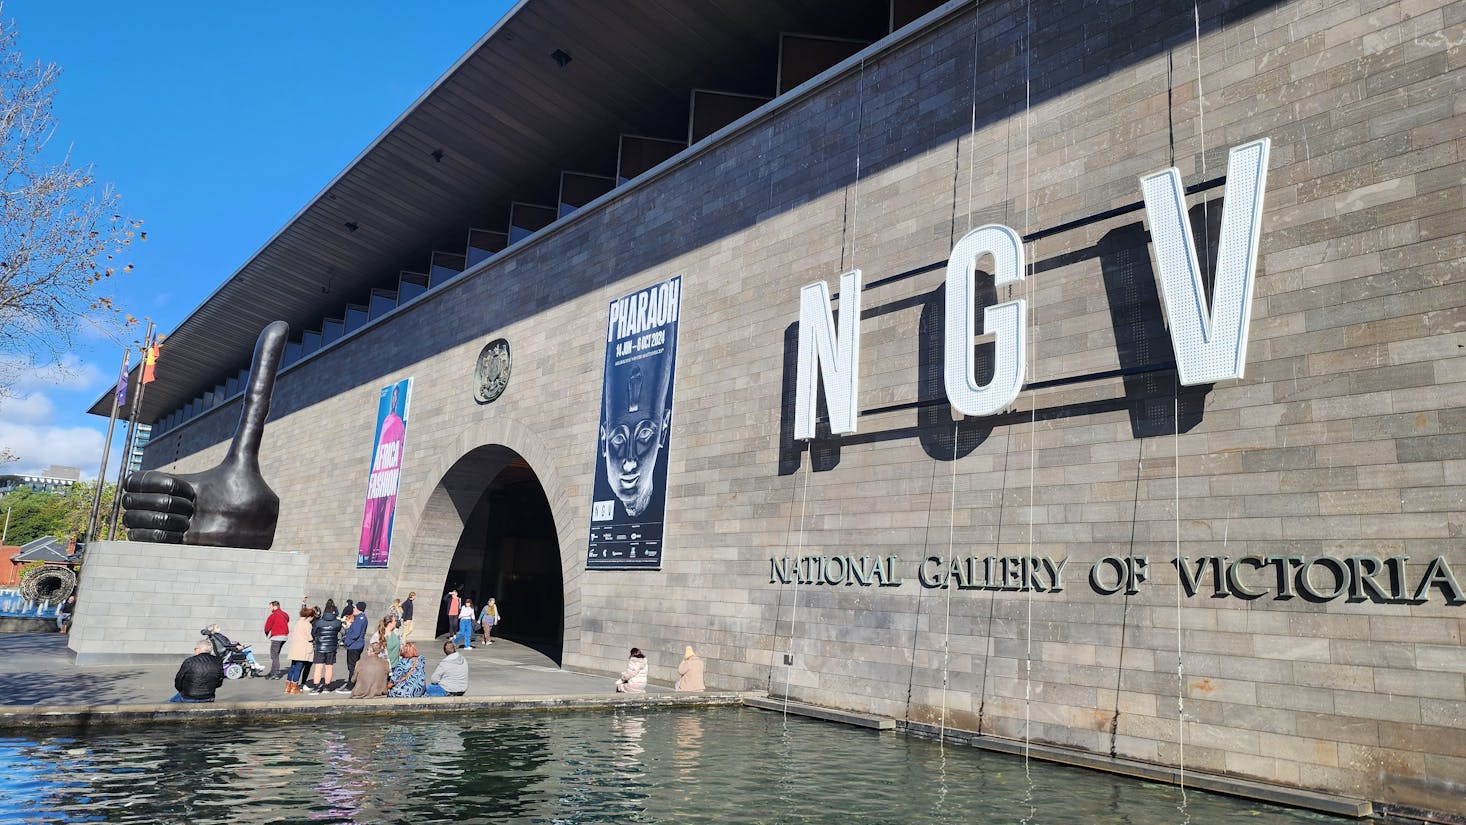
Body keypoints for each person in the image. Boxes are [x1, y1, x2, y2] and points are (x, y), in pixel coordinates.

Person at [308, 599, 344, 693]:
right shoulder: (337, 623)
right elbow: (339, 631)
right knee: (329, 667)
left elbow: (313, 633)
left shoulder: (318, 622)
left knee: (318, 667)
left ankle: (316, 686)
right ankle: (327, 686)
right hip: (331, 647)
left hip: (320, 647)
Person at [285, 605, 316, 695]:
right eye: (312, 617)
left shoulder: (298, 622)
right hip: (303, 649)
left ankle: (288, 686)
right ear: (309, 616)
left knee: (293, 667)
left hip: (295, 648)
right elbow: (309, 637)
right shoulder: (307, 625)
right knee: (299, 667)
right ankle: (294, 687)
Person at [341, 604, 367, 691]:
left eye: (355, 608)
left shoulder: (359, 619)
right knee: (354, 666)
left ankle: (351, 685)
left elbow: (355, 634)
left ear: (359, 609)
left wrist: (347, 632)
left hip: (354, 645)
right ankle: (353, 683)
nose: (353, 609)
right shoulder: (361, 617)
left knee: (352, 667)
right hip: (357, 645)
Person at [263, 600, 290, 679]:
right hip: (284, 637)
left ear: (275, 607)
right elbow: (287, 620)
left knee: (274, 655)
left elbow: (267, 627)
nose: (270, 609)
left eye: (270, 607)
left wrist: (267, 633)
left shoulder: (273, 615)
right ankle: (272, 671)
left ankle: (275, 673)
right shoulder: (285, 614)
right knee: (276, 654)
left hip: (276, 637)